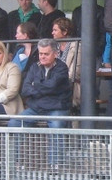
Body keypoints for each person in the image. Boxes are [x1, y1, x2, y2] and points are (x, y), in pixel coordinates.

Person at [7, 39, 72, 169]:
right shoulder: (34, 66)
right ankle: (15, 163)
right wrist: (43, 89)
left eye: (46, 54)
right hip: (36, 108)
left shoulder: (62, 68)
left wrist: (35, 85)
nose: (42, 56)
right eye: (41, 53)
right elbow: (25, 89)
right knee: (14, 123)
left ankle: (56, 165)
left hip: (56, 107)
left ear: (55, 54)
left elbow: (53, 86)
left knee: (57, 126)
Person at [51, 17, 81, 108]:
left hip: (69, 87)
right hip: (52, 85)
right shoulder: (53, 46)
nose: (52, 33)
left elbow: (74, 73)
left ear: (64, 32)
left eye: (55, 30)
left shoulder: (77, 47)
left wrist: (55, 81)